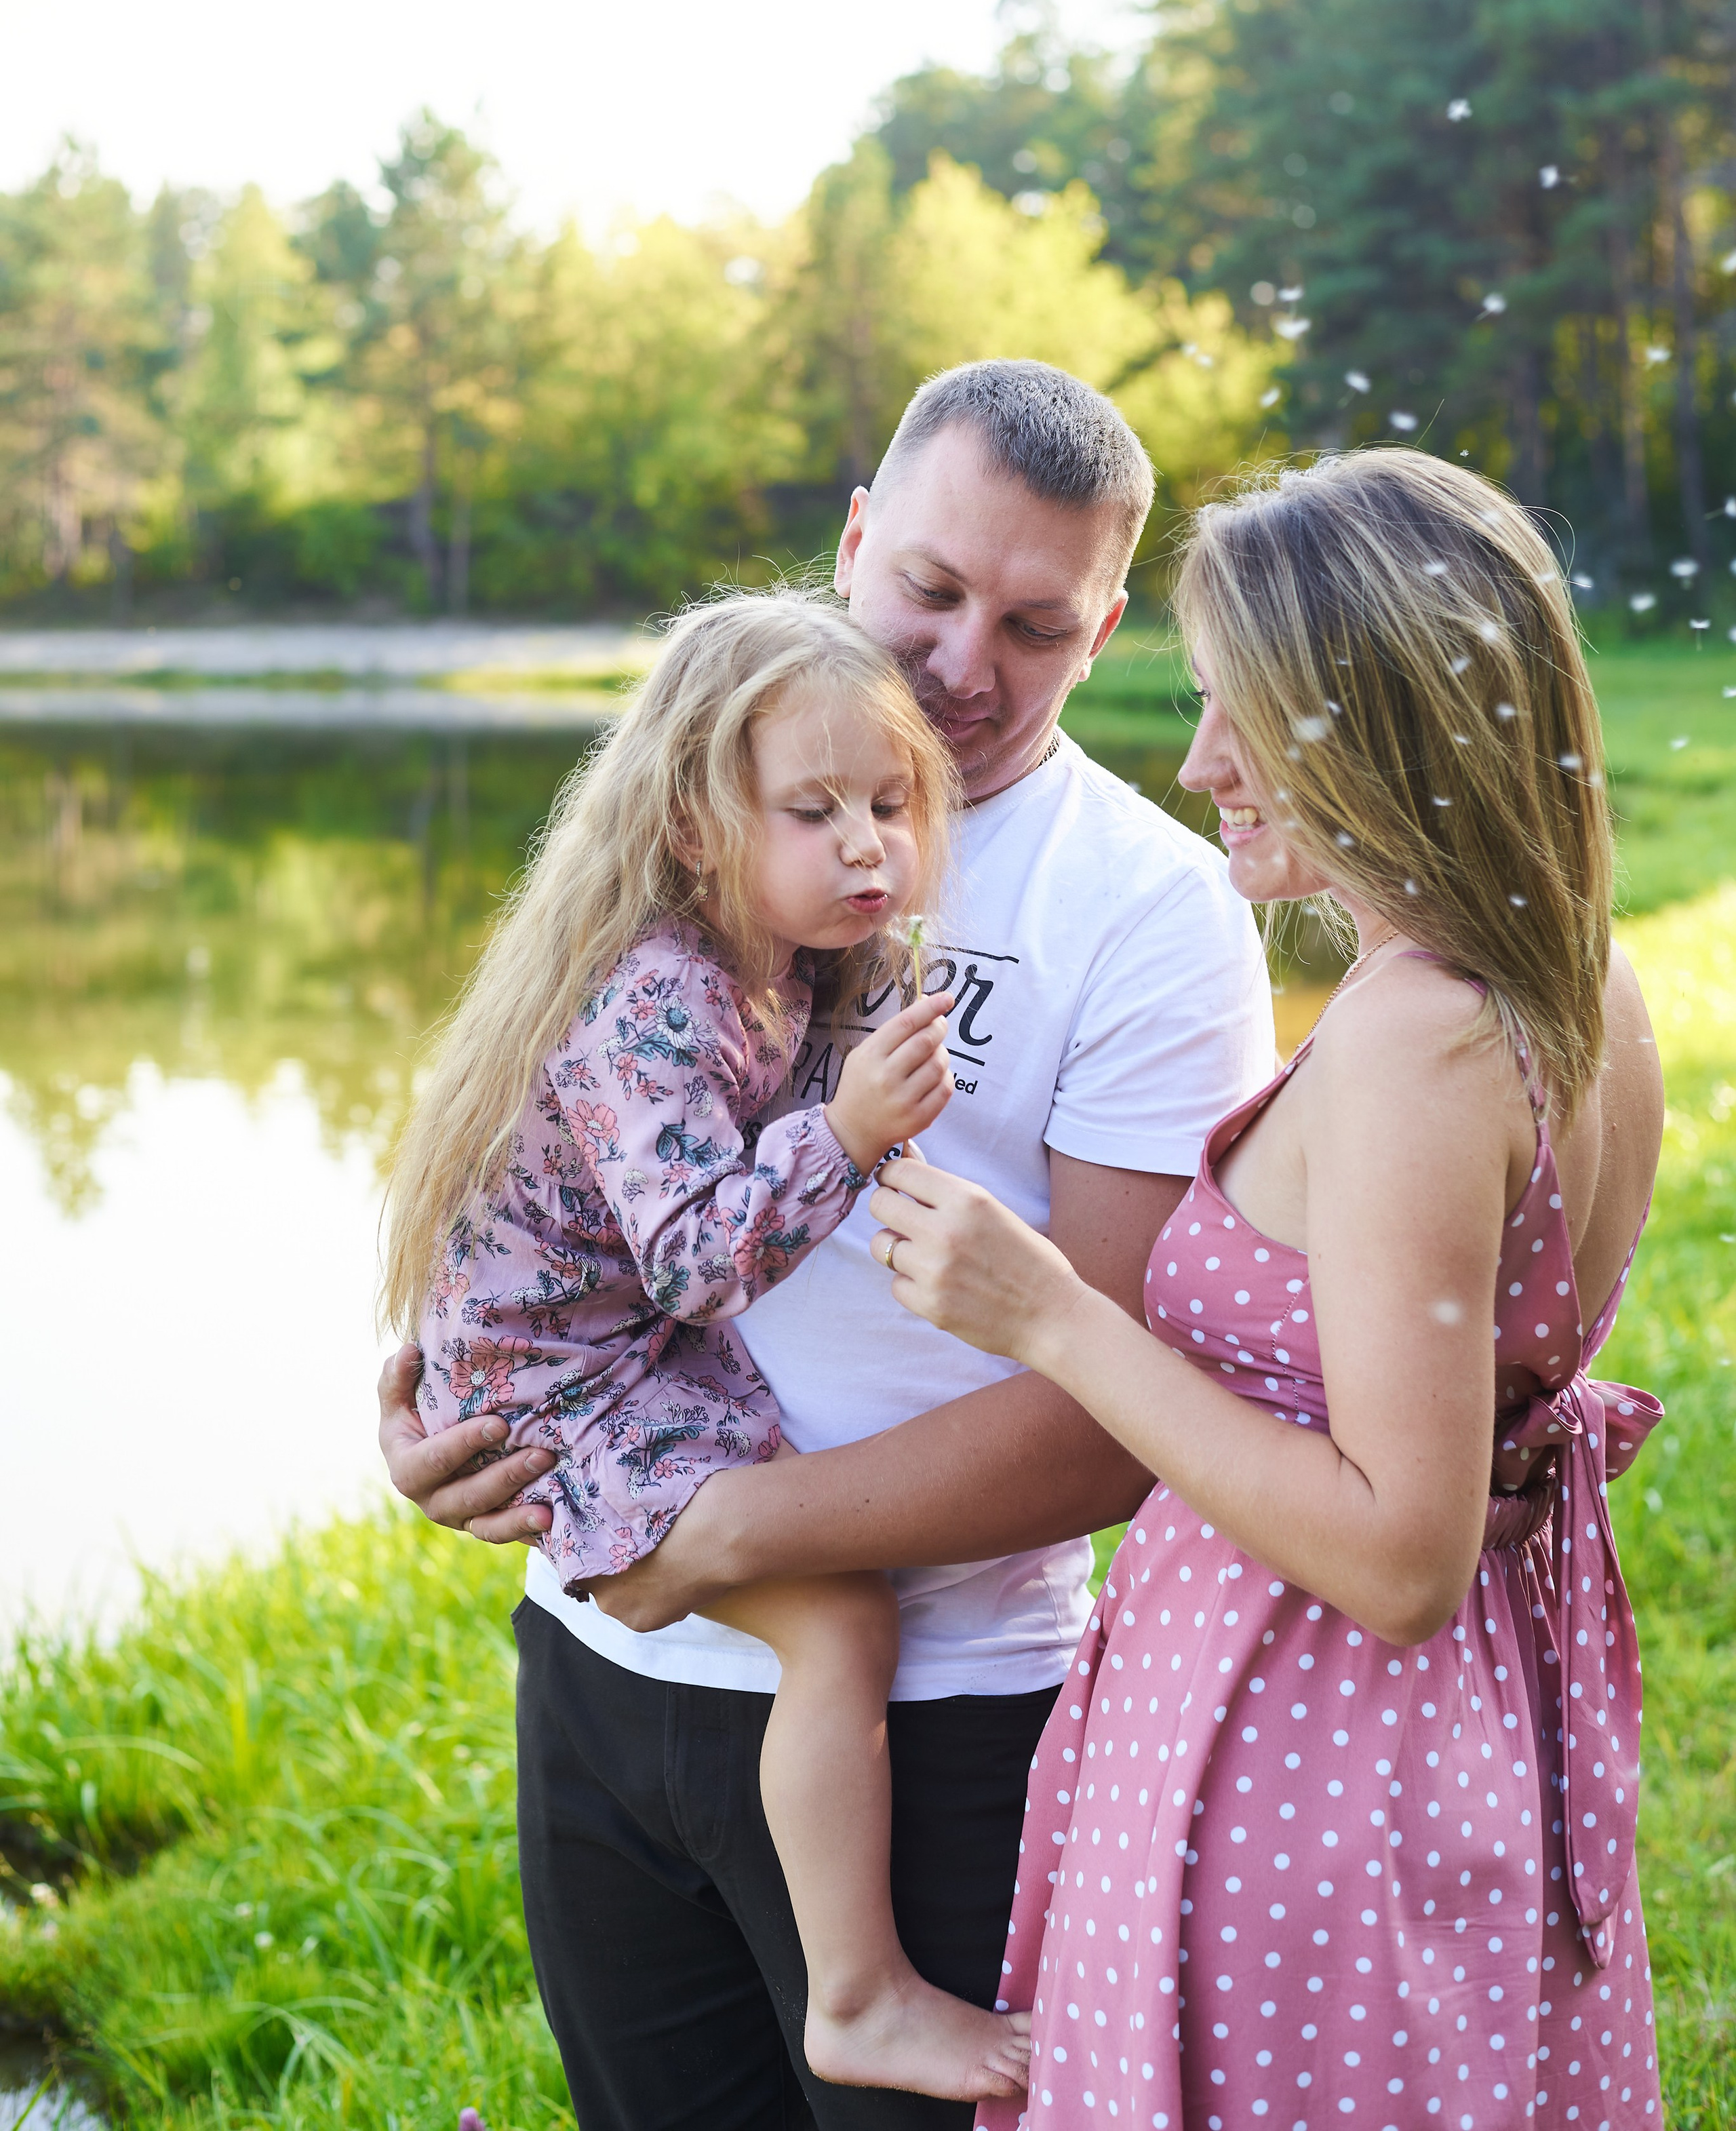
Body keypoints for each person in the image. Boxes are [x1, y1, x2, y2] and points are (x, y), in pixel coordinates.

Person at [378, 359, 1276, 2131]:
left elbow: (1119, 1413)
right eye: (927, 589)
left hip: (938, 1719)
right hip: (602, 1662)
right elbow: (547, 1160)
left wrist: (735, 1530)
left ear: (1102, 630)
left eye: (1033, 623)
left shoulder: (1150, 912)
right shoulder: (700, 823)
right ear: (855, 540)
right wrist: (448, 1407)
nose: (961, 663)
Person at [864, 448, 1668, 2129]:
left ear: (1379, 717)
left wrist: (1050, 1315)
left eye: (1251, 711)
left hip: (1312, 1760)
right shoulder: (1574, 972)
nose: (1202, 760)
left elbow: (1396, 1558)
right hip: (1451, 1733)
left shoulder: (1412, 1041)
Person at [385, 589, 1034, 2103]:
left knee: (834, 1597)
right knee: (842, 1621)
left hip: (608, 1354)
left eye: (891, 806)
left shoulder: (772, 957)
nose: (868, 849)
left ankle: (853, 1987)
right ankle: (858, 1997)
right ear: (692, 828)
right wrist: (848, 1131)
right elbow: (693, 1261)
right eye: (815, 813)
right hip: (560, 1387)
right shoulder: (661, 995)